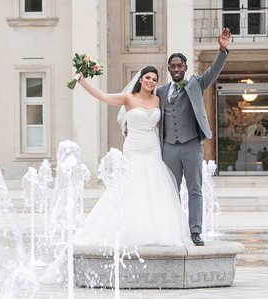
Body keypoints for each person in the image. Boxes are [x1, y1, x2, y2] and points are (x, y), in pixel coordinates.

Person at [72, 66, 193, 247]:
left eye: (154, 79)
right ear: (141, 79)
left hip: (152, 147)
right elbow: (104, 97)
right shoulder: (128, 98)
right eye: (148, 78)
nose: (151, 81)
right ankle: (126, 229)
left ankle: (155, 231)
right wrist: (83, 83)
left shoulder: (159, 100)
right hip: (134, 147)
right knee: (132, 184)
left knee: (153, 187)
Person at [158, 27, 231, 246]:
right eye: (173, 66)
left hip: (190, 145)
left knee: (194, 190)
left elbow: (213, 71)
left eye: (180, 65)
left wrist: (222, 49)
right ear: (169, 69)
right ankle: (172, 231)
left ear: (185, 67)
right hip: (169, 147)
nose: (177, 69)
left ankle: (195, 232)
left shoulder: (196, 84)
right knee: (170, 192)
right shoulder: (161, 91)